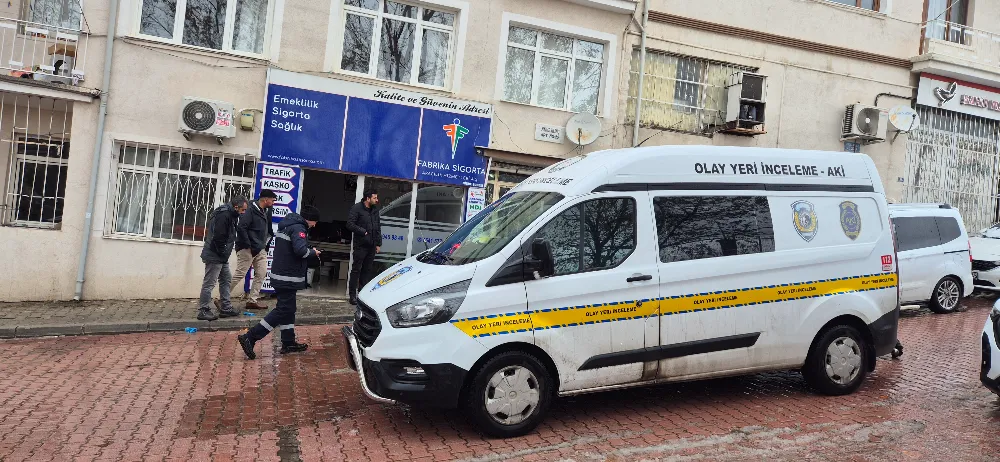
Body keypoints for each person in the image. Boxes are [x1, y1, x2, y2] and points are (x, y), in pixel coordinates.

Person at [237, 205, 322, 359]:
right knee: (283, 310)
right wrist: (313, 252)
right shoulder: (298, 228)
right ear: (309, 219)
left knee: (289, 309)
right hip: (287, 277)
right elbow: (300, 251)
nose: (315, 225)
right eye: (315, 222)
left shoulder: (287, 225)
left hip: (282, 276)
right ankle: (250, 337)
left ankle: (288, 342)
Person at [198, 196, 248, 321]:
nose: (244, 213)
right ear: (236, 207)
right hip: (215, 254)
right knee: (209, 283)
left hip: (221, 255)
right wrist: (222, 252)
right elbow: (218, 237)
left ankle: (226, 307)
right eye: (243, 210)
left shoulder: (231, 214)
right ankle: (203, 310)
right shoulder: (224, 215)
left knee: (226, 279)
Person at [226, 189, 277, 310]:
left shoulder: (267, 210)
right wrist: (248, 245)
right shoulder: (250, 209)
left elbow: (268, 228)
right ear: (266, 200)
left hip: (260, 248)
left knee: (261, 273)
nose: (273, 202)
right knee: (240, 273)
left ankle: (252, 300)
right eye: (273, 200)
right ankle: (222, 297)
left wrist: (267, 243)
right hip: (247, 248)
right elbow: (241, 228)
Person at [346, 189, 381, 305]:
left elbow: (378, 227)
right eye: (374, 198)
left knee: (367, 271)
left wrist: (378, 243)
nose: (377, 200)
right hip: (360, 245)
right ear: (368, 198)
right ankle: (352, 295)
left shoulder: (375, 210)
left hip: (372, 245)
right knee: (356, 270)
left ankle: (362, 295)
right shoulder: (357, 208)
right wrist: (362, 231)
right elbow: (349, 224)